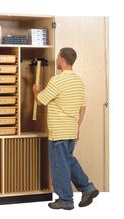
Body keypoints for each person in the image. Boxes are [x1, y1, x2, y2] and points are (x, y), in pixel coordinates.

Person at [33, 47, 99, 210]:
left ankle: (65, 200)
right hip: (71, 130)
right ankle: (87, 188)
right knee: (68, 160)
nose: (56, 59)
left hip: (59, 131)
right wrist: (77, 127)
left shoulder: (57, 80)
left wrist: (36, 91)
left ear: (62, 59)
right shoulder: (78, 81)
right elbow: (83, 107)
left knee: (59, 164)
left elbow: (41, 100)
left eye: (58, 57)